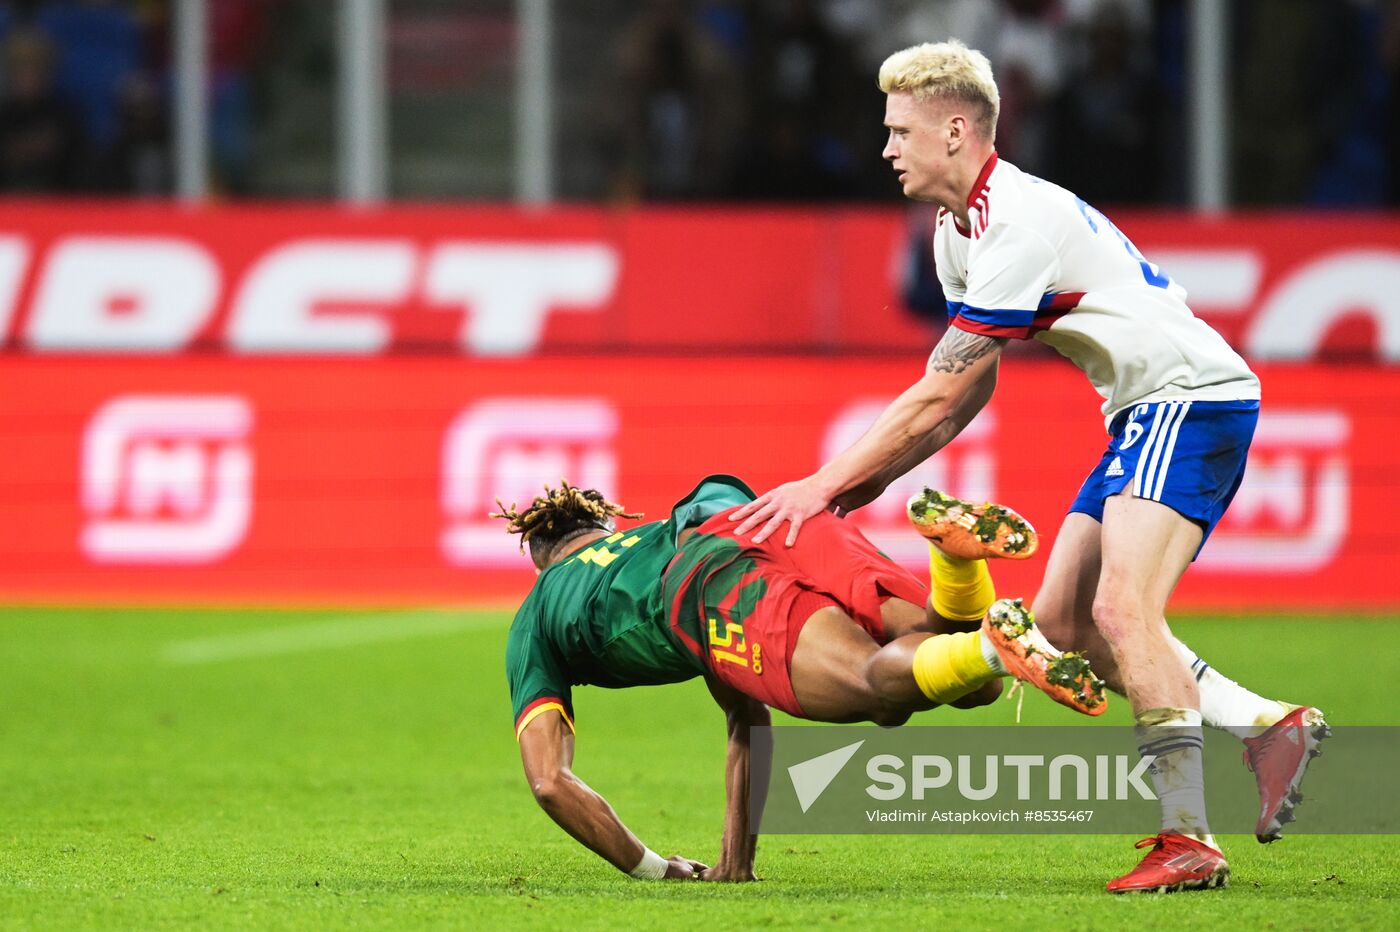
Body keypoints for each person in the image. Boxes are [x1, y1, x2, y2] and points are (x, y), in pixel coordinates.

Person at [730, 40, 1328, 894]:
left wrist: (822, 485)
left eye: (901, 131)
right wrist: (857, 490)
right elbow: (967, 391)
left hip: (1188, 399)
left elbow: (939, 392)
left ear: (955, 131)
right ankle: (1267, 726)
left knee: (1122, 608)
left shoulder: (1014, 224)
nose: (887, 148)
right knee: (1064, 625)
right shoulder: (956, 232)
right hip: (1141, 412)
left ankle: (1189, 837)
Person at [499, 475, 1106, 881]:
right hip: (772, 516)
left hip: (710, 577)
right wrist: (735, 862)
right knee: (969, 682)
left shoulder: (540, 610)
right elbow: (745, 711)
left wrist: (656, 869)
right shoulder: (646, 541)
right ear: (605, 530)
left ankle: (994, 645)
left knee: (879, 693)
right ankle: (956, 567)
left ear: (540, 560)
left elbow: (550, 782)